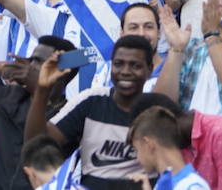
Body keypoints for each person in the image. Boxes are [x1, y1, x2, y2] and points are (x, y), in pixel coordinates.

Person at [23, 35, 154, 190]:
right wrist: (42, 90)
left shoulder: (157, 111)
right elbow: (36, 144)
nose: (125, 71)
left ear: (150, 69)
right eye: (118, 64)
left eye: (135, 66)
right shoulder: (91, 100)